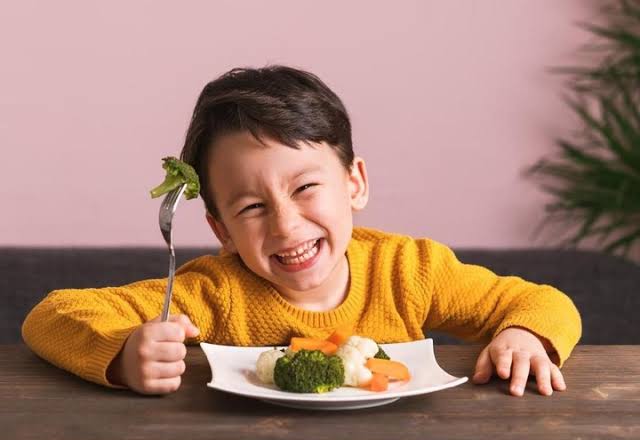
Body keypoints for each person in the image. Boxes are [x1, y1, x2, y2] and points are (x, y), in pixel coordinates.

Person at [22, 65, 581, 397]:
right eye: (250, 207)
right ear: (220, 229)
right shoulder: (211, 295)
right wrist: (122, 355)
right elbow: (51, 316)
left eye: (306, 188)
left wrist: (527, 335)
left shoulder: (410, 270)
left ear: (354, 183)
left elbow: (540, 301)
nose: (287, 225)